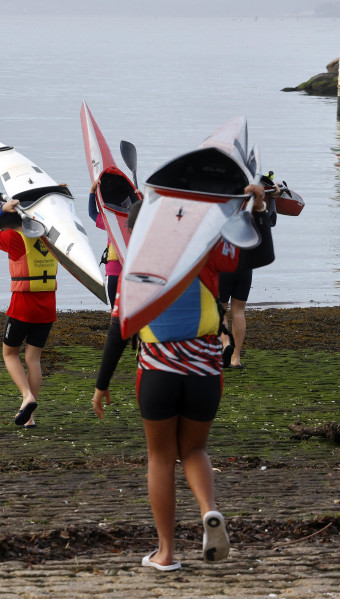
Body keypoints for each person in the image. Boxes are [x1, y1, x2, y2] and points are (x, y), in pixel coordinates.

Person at [91, 185, 274, 571]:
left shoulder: (135, 272)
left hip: (158, 373)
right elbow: (260, 255)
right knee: (194, 451)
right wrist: (257, 209)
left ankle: (166, 553)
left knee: (160, 457)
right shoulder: (205, 258)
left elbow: (118, 333)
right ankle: (209, 510)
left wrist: (102, 383)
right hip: (205, 370)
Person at [0, 199, 58, 428]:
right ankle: (29, 417)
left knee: (10, 354)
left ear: (6, 228)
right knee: (33, 359)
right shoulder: (49, 237)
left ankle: (26, 396)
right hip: (48, 307)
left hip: (23, 306)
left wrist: (0, 209)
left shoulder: (13, 238)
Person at [218, 176, 278, 369]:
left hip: (225, 264)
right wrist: (272, 198)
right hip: (245, 267)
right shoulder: (253, 208)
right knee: (239, 311)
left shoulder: (222, 207)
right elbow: (271, 220)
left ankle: (225, 344)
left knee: (219, 310)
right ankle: (236, 358)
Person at [89, 178, 142, 309]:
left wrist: (92, 192)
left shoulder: (110, 221)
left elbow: (92, 213)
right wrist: (144, 200)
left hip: (114, 274)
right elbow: (151, 215)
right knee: (131, 310)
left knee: (115, 311)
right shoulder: (139, 222)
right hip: (130, 274)